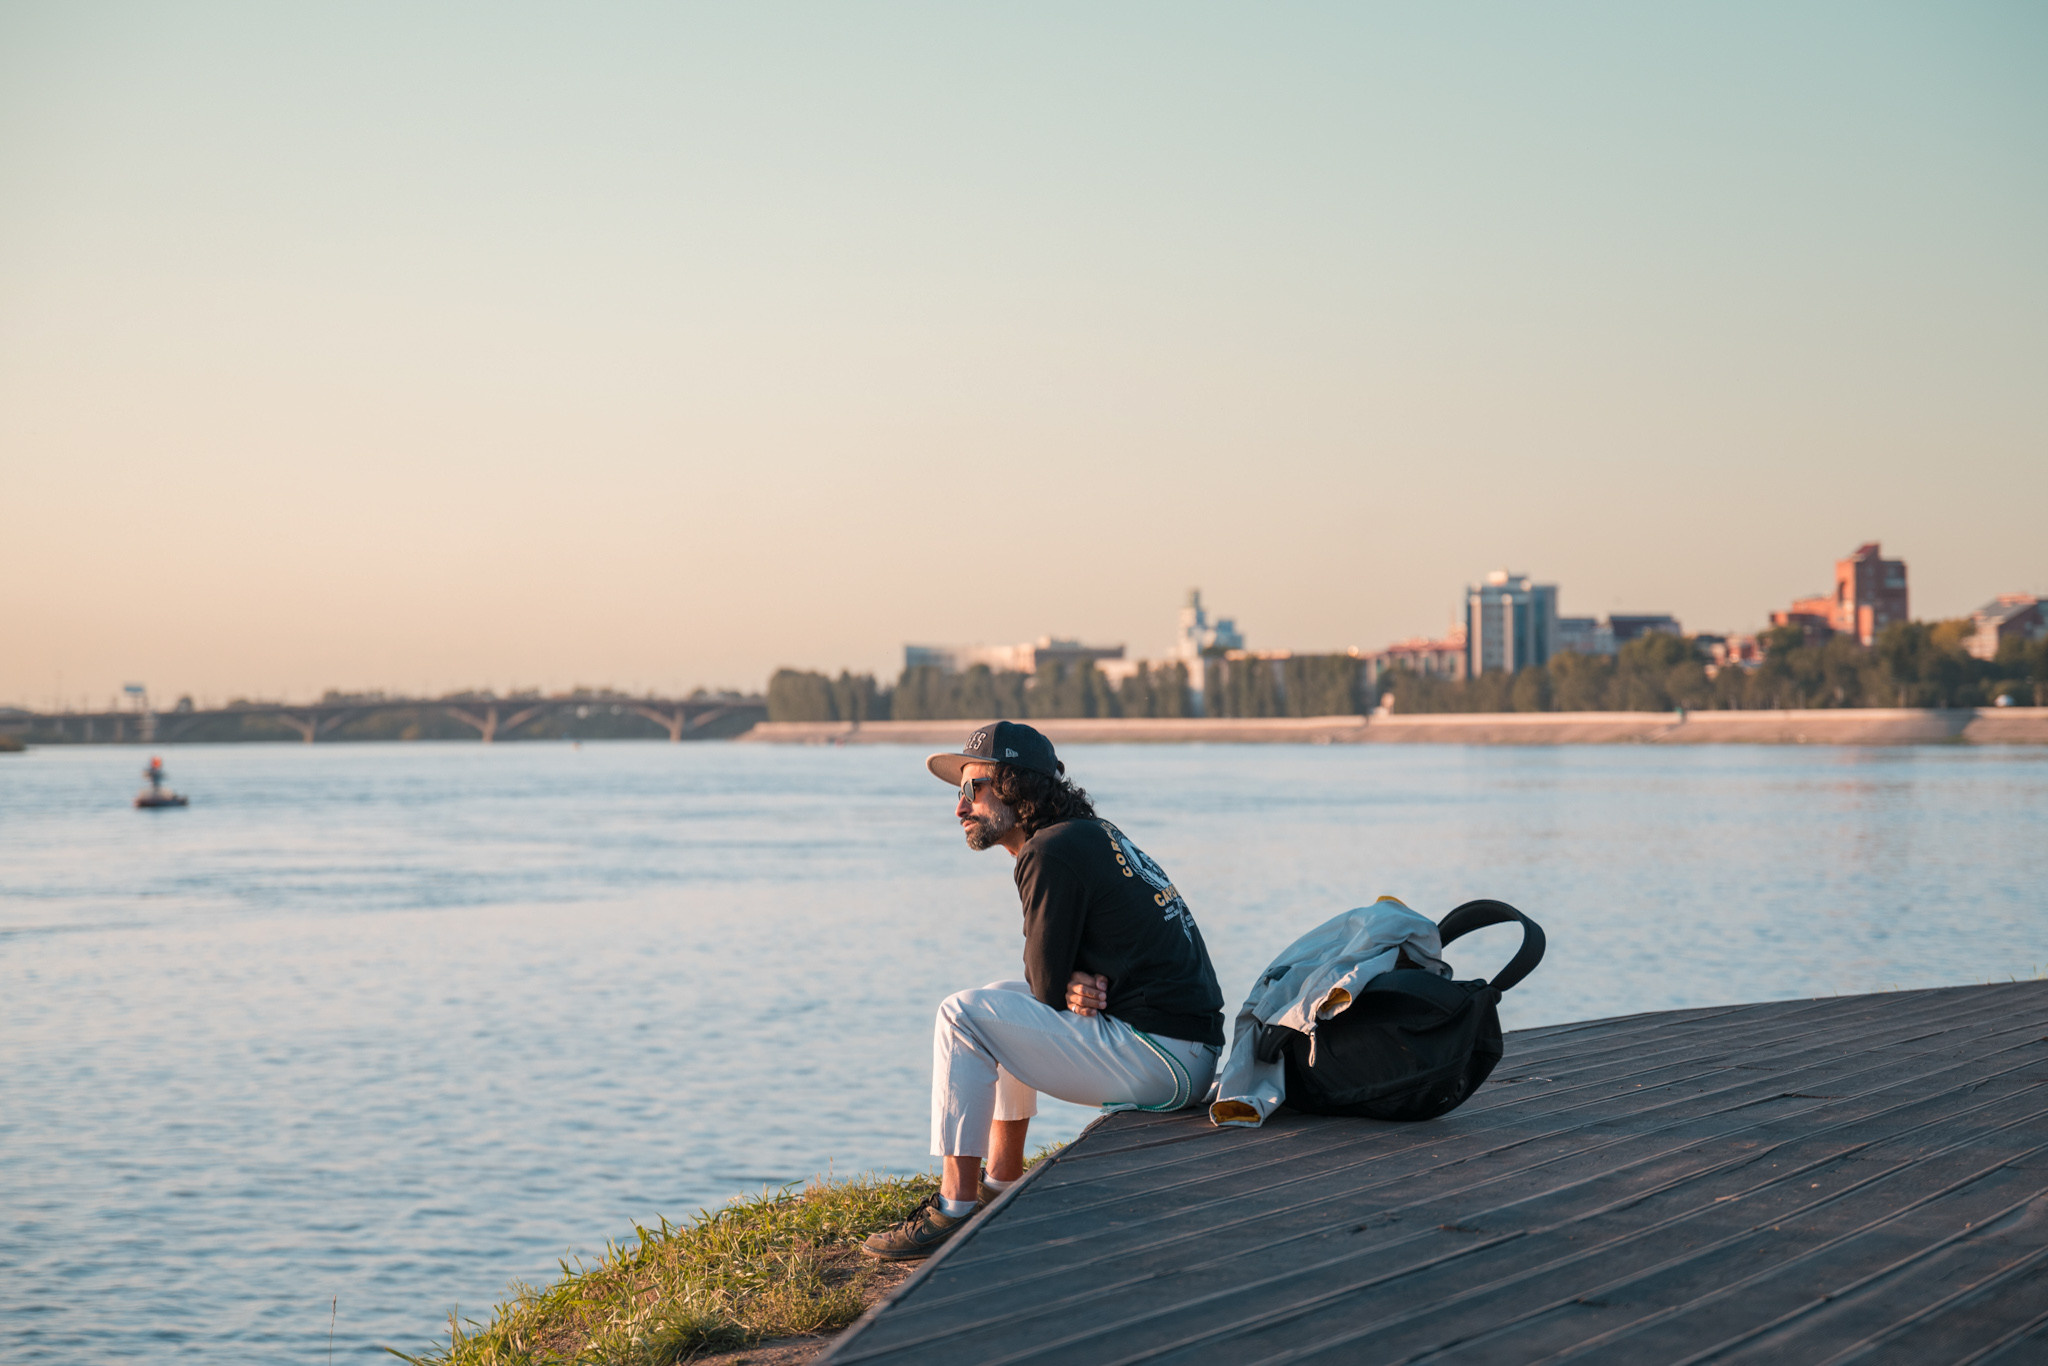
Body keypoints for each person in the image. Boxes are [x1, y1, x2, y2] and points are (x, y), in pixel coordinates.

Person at [862, 722, 1226, 1260]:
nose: (961, 808)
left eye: (973, 789)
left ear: (1015, 786)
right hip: (1186, 1055)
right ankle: (1002, 1181)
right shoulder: (1086, 834)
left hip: (1162, 1061)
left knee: (961, 1014)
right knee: (998, 998)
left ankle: (955, 1205)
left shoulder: (1049, 852)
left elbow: (1046, 982)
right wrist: (1066, 982)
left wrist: (1062, 982)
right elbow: (1049, 982)